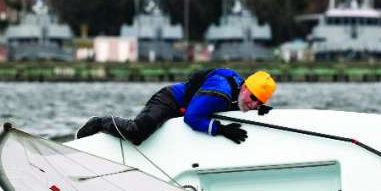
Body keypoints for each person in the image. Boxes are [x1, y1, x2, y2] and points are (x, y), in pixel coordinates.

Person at [75, 68, 276, 145]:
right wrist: (220, 129)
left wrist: (258, 110)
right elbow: (191, 117)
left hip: (185, 106)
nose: (254, 103)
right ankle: (100, 122)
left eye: (260, 102)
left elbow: (235, 103)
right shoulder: (221, 91)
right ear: (246, 86)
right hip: (169, 100)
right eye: (254, 97)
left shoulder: (238, 90)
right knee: (138, 134)